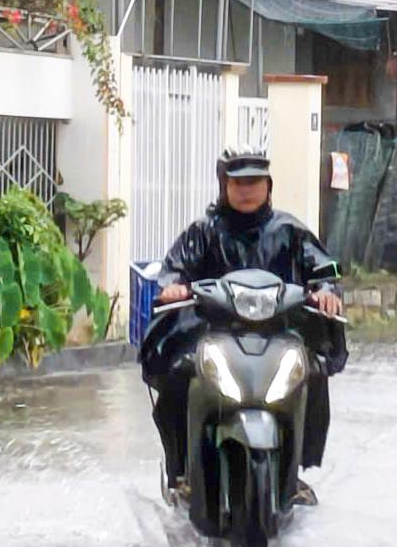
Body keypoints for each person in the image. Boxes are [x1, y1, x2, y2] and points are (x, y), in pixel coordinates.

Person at [143, 147, 345, 502]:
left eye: (254, 181)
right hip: (212, 334)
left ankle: (295, 467)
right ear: (224, 185)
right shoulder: (203, 232)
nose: (246, 189)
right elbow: (174, 268)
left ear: (268, 185)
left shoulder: (290, 231)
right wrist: (173, 285)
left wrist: (326, 290)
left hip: (280, 334)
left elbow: (324, 270)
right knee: (177, 374)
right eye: (238, 182)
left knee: (312, 371)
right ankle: (183, 470)